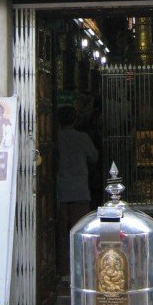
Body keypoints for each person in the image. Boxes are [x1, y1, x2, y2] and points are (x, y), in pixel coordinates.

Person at [56, 106, 98, 276]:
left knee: (62, 233)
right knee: (80, 231)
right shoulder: (82, 137)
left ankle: (64, 269)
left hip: (61, 191)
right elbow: (94, 156)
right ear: (75, 119)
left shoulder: (56, 138)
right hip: (80, 190)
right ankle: (81, 268)